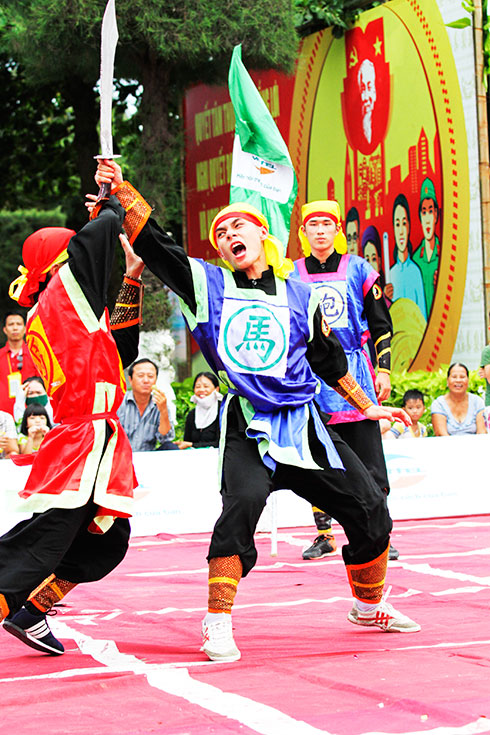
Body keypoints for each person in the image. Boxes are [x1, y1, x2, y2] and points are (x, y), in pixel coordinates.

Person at [96, 160, 421, 665]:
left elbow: (330, 363)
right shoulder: (208, 285)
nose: (227, 235)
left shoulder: (302, 295)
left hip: (304, 422)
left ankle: (369, 603)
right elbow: (156, 244)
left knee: (372, 509)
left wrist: (372, 408)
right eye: (220, 233)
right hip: (247, 422)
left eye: (237, 225)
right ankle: (218, 620)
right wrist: (120, 190)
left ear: (262, 234)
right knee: (242, 505)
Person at [0, 183, 150, 656]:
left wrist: (130, 279)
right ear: (61, 258)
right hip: (85, 436)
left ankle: (32, 612)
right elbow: (102, 232)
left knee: (107, 537)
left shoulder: (65, 309)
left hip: (92, 434)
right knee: (50, 536)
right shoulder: (63, 293)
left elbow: (122, 351)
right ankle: (17, 601)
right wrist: (108, 199)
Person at [293, 201, 399, 562]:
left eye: (326, 224)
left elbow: (381, 324)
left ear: (337, 229)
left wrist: (382, 369)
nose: (320, 230)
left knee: (369, 459)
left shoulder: (359, 269)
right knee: (317, 459)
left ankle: (380, 530)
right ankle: (324, 534)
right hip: (311, 378)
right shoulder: (291, 276)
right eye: (313, 225)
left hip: (355, 373)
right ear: (302, 233)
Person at [117, 357, 176, 451]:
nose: (146, 380)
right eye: (140, 376)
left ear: (155, 380)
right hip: (121, 457)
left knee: (170, 447)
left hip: (148, 457)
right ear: (130, 380)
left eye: (150, 376)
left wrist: (163, 411)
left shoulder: (160, 403)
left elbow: (166, 438)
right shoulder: (119, 402)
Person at [385, 194, 427, 319]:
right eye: (397, 225)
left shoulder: (415, 272)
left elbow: (423, 317)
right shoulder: (391, 274)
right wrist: (385, 299)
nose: (401, 231)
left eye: (404, 223)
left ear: (408, 226)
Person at [0, 312, 39, 416]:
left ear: (25, 328)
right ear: (5, 329)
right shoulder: (1, 355)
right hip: (3, 413)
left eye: (19, 324)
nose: (15, 328)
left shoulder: (35, 354)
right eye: (11, 324)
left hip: (31, 412)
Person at [431, 363, 486, 436]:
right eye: (454, 377)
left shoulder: (478, 402)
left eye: (462, 377)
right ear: (447, 381)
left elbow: (481, 432)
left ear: (468, 381)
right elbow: (441, 434)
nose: (458, 380)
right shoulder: (438, 404)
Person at [412, 178, 440, 315]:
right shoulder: (416, 259)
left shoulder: (444, 256)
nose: (427, 218)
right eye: (424, 212)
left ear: (436, 215)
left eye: (430, 211)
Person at [175, 372, 223, 449]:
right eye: (198, 387)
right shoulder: (192, 414)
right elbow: (187, 441)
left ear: (216, 389)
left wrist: (192, 445)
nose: (201, 390)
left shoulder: (223, 410)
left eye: (206, 386)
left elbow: (222, 442)